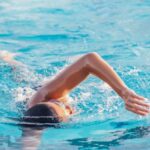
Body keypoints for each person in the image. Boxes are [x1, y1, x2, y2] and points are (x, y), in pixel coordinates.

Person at [0, 51, 150, 128]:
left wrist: (124, 92)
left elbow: (89, 59)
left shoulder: (49, 93)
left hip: (38, 88)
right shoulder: (34, 120)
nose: (70, 108)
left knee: (22, 74)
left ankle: (8, 58)